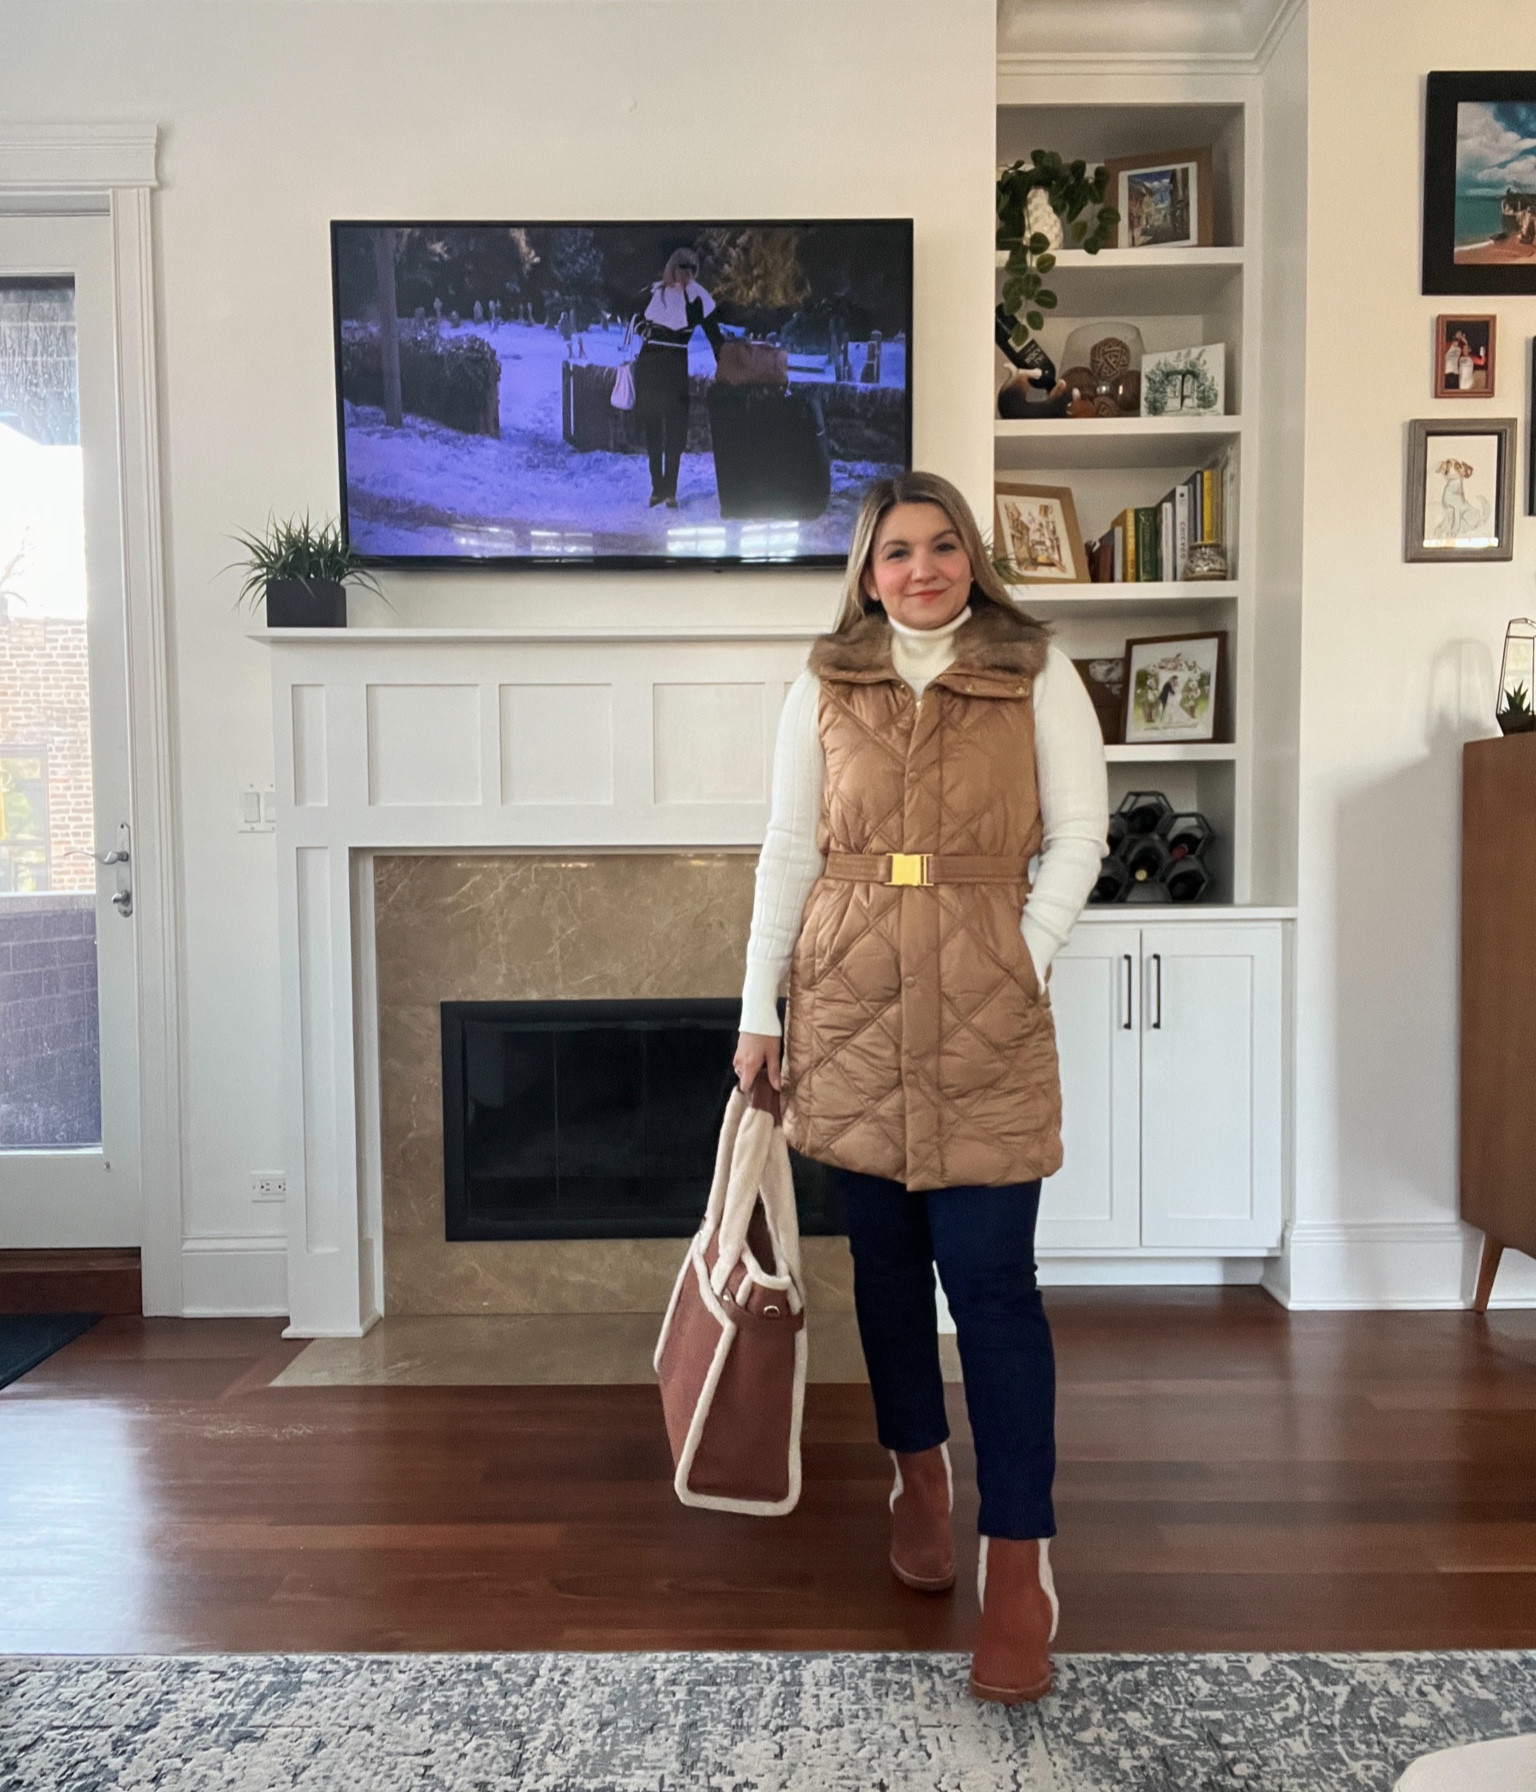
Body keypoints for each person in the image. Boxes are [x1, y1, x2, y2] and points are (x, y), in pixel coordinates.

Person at [733, 470, 1108, 1704]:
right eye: (899, 550)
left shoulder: (1033, 667)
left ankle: (1021, 1561)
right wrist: (759, 1010)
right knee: (885, 1275)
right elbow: (792, 847)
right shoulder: (827, 679)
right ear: (867, 568)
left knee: (995, 1289)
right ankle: (918, 1475)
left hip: (986, 1015)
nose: (924, 568)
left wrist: (1026, 948)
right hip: (844, 1009)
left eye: (944, 545)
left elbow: (1084, 832)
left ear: (972, 558)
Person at [632, 248, 725, 508]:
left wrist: (726, 361)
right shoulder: (654, 293)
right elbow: (634, 316)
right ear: (671, 268)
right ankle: (656, 488)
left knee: (675, 428)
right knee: (653, 427)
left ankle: (670, 490)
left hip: (675, 366)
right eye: (681, 268)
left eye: (691, 269)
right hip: (651, 363)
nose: (685, 274)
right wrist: (644, 328)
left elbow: (713, 332)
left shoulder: (696, 297)